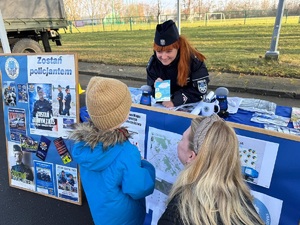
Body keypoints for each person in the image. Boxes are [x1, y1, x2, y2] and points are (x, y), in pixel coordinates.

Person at [69, 77, 156, 225]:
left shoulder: (82, 145)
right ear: (123, 114)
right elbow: (139, 188)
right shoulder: (127, 152)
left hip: (101, 214)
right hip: (127, 218)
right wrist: (147, 166)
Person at [158, 114, 264, 225]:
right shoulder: (243, 200)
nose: (179, 142)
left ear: (191, 156)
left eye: (181, 138)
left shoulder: (180, 209)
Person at [147, 20, 209, 108]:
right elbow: (151, 91)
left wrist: (175, 101)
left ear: (178, 47)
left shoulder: (194, 61)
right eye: (159, 51)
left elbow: (200, 91)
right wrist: (160, 91)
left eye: (169, 51)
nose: (164, 57)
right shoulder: (153, 64)